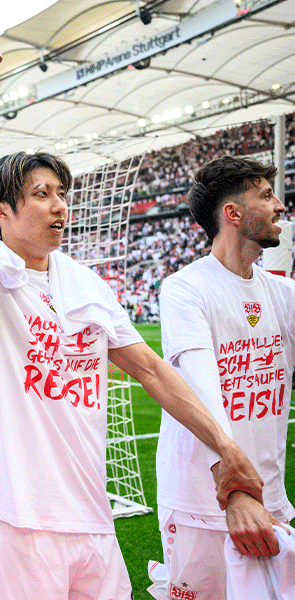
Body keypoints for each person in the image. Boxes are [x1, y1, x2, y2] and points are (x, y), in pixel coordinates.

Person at [0, 14, 271, 600]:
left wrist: (226, 445)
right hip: (19, 524)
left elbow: (154, 372)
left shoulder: (85, 284)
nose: (60, 205)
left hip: (93, 520)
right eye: (42, 194)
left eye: (62, 193)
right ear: (0, 211)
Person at [147, 155, 293, 600]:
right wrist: (233, 491)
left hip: (267, 495)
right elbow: (200, 386)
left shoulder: (284, 294)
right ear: (232, 214)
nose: (280, 207)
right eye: (266, 196)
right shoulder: (185, 288)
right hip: (201, 501)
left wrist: (256, 494)